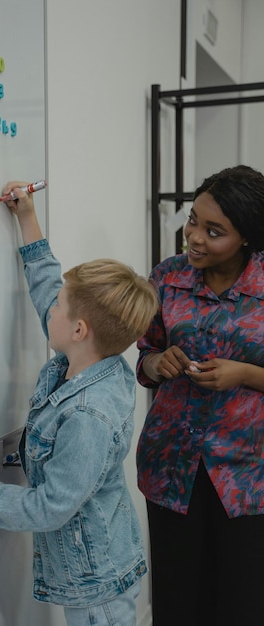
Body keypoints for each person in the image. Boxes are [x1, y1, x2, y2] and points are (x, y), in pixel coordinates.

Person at [0, 181, 158, 626]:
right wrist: (27, 217)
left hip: (96, 584)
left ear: (80, 329)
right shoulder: (94, 358)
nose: (52, 309)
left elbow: (51, 507)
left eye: (61, 306)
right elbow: (49, 286)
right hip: (100, 565)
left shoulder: (88, 416)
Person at [136, 164, 264, 626]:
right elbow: (145, 354)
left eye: (214, 231)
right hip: (172, 469)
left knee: (243, 605)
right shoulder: (166, 277)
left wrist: (246, 373)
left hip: (249, 478)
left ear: (247, 237)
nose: (194, 237)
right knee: (177, 605)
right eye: (193, 220)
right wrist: (157, 363)